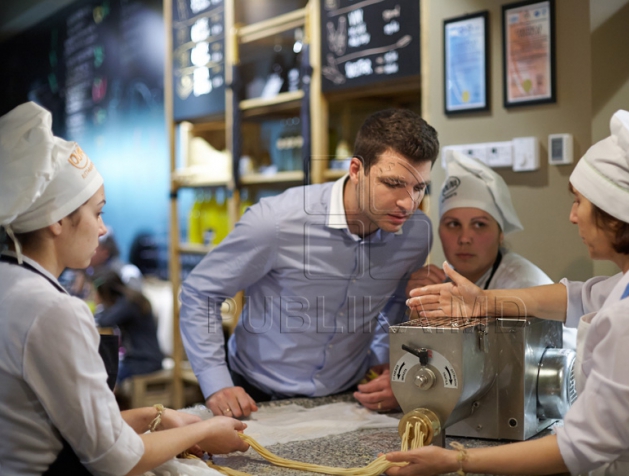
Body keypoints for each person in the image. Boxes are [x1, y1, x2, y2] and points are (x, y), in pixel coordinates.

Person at [389, 110, 629, 475]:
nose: (572, 216)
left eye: (579, 202)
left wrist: (457, 460)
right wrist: (483, 302)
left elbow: (578, 448)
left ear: (613, 213)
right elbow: (579, 297)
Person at [0, 102, 249, 475]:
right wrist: (208, 429)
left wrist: (158, 417)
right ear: (56, 219)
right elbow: (115, 460)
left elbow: (70, 426)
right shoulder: (53, 311)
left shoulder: (11, 282)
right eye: (98, 213)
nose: (103, 229)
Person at [180, 108, 439, 417]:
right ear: (356, 170)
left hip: (348, 394)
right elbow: (200, 293)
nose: (408, 203)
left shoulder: (416, 235)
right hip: (253, 393)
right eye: (393, 183)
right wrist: (216, 383)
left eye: (419, 187)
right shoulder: (276, 222)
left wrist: (383, 357)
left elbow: (394, 303)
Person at [405, 150, 576, 348]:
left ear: (500, 233)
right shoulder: (443, 282)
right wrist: (417, 308)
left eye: (479, 225)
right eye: (453, 224)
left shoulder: (522, 284)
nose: (464, 238)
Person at [93, 269, 165, 384]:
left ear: (103, 292)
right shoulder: (130, 299)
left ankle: (109, 401)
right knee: (104, 369)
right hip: (145, 358)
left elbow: (104, 321)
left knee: (105, 375)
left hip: (144, 361)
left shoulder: (129, 304)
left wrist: (99, 305)